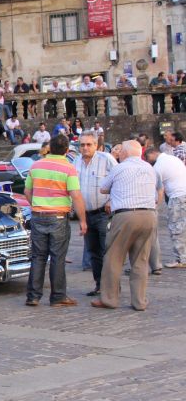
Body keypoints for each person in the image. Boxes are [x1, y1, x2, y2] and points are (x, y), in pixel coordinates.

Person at [93, 141, 160, 311]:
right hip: (149, 214)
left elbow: (102, 188)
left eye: (121, 150)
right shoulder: (150, 168)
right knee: (140, 260)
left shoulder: (119, 167)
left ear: (126, 153)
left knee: (114, 258)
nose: (119, 153)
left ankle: (109, 299)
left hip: (126, 214)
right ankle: (139, 301)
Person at [25, 134, 87, 307]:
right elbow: (76, 195)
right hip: (59, 216)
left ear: (50, 148)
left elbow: (27, 191)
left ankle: (33, 296)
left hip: (38, 215)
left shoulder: (36, 165)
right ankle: (58, 295)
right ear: (67, 150)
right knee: (58, 257)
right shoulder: (68, 168)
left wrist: (37, 205)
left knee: (38, 256)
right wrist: (83, 220)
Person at [74, 131, 118, 296]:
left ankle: (112, 287)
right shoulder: (76, 162)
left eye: (88, 144)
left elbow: (119, 180)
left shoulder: (106, 159)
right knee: (93, 252)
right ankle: (99, 285)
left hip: (103, 213)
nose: (85, 148)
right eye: (82, 145)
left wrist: (111, 200)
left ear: (96, 145)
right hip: (86, 214)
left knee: (108, 250)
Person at [145, 148, 186, 268]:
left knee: (176, 228)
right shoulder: (173, 158)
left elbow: (157, 189)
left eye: (147, 158)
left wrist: (155, 205)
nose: (148, 162)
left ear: (152, 154)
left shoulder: (158, 166)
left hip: (178, 197)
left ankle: (182, 258)